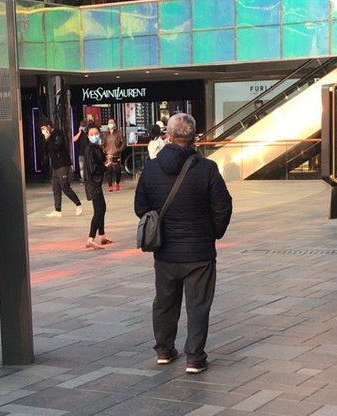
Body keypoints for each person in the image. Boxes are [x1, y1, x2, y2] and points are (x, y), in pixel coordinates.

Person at [134, 113, 232, 374]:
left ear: (168, 135)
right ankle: (194, 357)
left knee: (164, 301)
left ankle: (164, 350)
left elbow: (140, 208)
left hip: (165, 252)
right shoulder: (207, 168)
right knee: (198, 304)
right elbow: (223, 206)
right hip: (199, 252)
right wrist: (213, 232)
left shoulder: (151, 168)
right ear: (193, 137)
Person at [41, 120, 81, 219]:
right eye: (41, 129)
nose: (43, 131)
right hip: (55, 166)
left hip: (63, 164)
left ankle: (78, 204)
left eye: (44, 128)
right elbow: (48, 149)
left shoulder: (57, 134)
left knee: (64, 186)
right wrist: (47, 139)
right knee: (56, 188)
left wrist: (48, 138)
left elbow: (57, 147)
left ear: (49, 126)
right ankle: (57, 210)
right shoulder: (49, 137)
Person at [83, 126, 111, 249]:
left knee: (102, 208)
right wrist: (105, 167)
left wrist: (107, 161)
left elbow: (101, 160)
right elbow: (93, 168)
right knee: (98, 210)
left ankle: (102, 236)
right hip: (92, 183)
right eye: (92, 134)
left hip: (96, 182)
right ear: (88, 135)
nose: (94, 135)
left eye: (96, 133)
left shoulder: (96, 148)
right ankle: (91, 238)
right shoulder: (89, 149)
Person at [102, 117, 126, 192]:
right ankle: (110, 185)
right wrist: (104, 151)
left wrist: (119, 150)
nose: (110, 124)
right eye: (109, 123)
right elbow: (102, 144)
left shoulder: (119, 133)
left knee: (118, 170)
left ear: (114, 124)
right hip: (108, 155)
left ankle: (117, 183)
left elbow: (124, 143)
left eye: (112, 122)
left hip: (116, 155)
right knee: (109, 170)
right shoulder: (105, 134)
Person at [72, 113, 95, 182]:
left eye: (84, 126)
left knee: (90, 166)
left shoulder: (89, 131)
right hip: (81, 153)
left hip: (89, 152)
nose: (83, 127)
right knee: (81, 167)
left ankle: (90, 178)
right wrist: (79, 132)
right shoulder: (80, 133)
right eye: (82, 126)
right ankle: (83, 178)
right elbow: (74, 139)